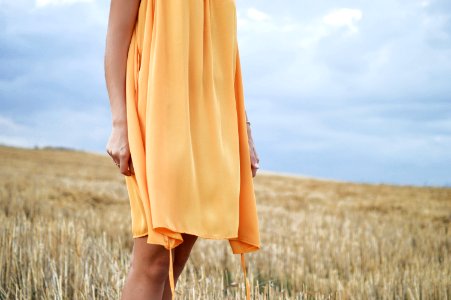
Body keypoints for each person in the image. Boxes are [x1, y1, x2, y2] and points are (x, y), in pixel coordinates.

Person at [104, 0, 261, 299]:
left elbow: (225, 49)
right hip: (159, 107)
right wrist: (119, 122)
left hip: (212, 115)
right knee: (155, 258)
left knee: (174, 262)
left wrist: (244, 126)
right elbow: (117, 35)